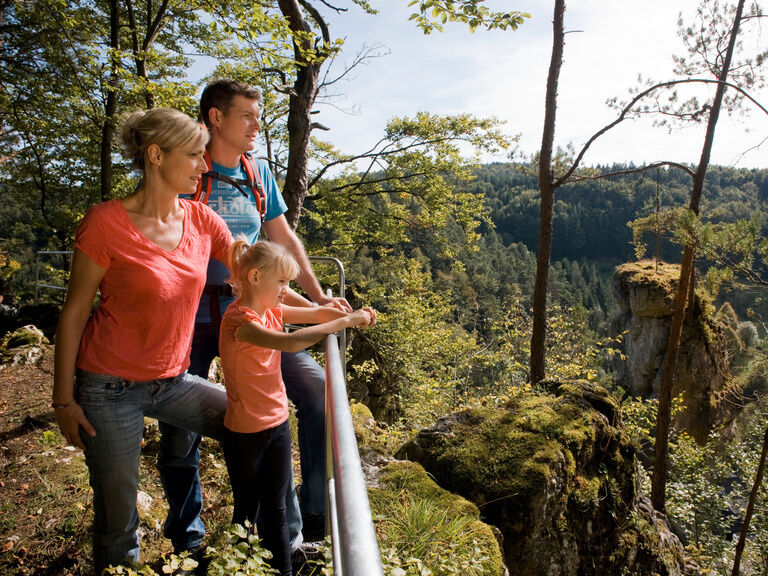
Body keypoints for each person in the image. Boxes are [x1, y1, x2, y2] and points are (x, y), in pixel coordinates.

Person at [162, 78, 344, 554]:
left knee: (318, 391)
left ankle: (308, 518)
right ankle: (188, 540)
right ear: (216, 117)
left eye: (258, 116)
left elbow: (283, 239)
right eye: (247, 115)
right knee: (180, 434)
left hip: (256, 315)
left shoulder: (257, 172)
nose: (256, 126)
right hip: (191, 322)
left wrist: (318, 298)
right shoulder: (188, 168)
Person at [52, 108, 232, 572]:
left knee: (255, 426)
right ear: (156, 155)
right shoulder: (105, 222)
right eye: (194, 154)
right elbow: (74, 312)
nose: (204, 165)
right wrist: (63, 401)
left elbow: (257, 272)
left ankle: (261, 545)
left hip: (174, 381)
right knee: (118, 519)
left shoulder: (203, 220)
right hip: (107, 387)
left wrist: (321, 307)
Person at [219, 239, 375, 576]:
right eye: (282, 282)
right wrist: (343, 323)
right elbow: (289, 343)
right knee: (246, 510)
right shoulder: (239, 320)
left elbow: (317, 314)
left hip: (277, 425)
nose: (286, 291)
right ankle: (235, 568)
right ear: (255, 277)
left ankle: (283, 570)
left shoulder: (272, 310)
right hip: (245, 434)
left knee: (276, 507)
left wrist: (351, 315)